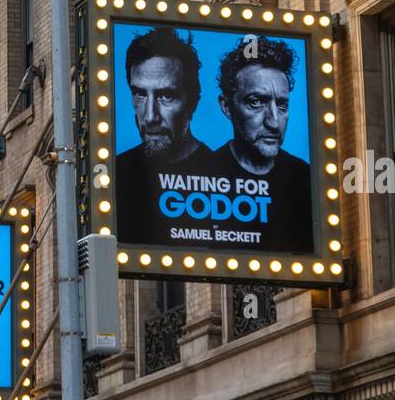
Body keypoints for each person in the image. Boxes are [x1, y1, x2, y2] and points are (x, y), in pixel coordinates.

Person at [210, 34, 314, 251]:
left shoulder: (308, 180)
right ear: (227, 107)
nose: (274, 122)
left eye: (282, 105)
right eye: (256, 102)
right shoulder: (202, 173)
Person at [114, 28, 215, 245]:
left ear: (192, 102)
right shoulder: (114, 174)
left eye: (166, 96)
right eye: (140, 94)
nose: (150, 116)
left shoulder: (222, 172)